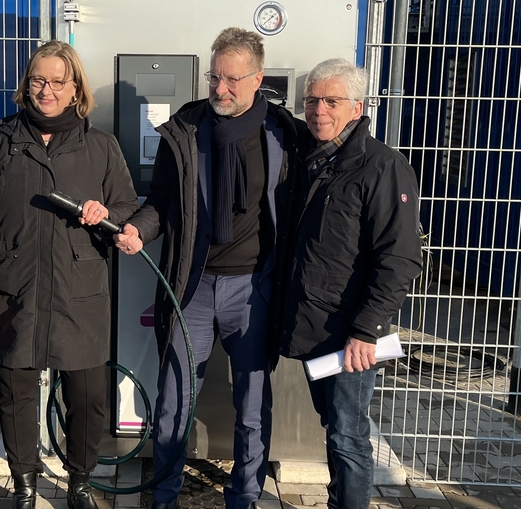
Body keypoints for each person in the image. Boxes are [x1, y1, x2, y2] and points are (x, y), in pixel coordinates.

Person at [113, 27, 295, 509]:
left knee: (252, 406)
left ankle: (246, 496)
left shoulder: (283, 134)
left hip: (254, 288)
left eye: (232, 79)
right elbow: (162, 203)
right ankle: (165, 496)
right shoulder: (187, 129)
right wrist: (137, 230)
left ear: (257, 79)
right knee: (174, 399)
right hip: (190, 286)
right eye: (215, 76)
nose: (220, 89)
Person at [0, 40, 137, 509]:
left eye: (59, 81)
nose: (47, 90)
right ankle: (25, 485)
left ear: (75, 87)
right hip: (11, 293)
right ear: (26, 84)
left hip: (80, 294)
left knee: (86, 396)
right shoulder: (2, 144)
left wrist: (108, 212)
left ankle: (80, 482)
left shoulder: (100, 146)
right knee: (15, 393)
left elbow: (127, 205)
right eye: (39, 79)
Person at [273, 58, 422, 509]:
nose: (318, 110)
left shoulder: (381, 166)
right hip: (314, 323)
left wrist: (366, 331)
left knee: (348, 436)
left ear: (356, 107)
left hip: (349, 334)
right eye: (311, 101)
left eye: (331, 101)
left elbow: (399, 258)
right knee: (334, 426)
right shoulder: (313, 160)